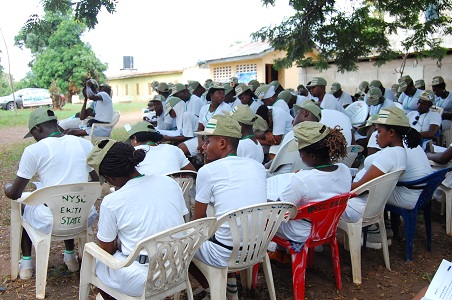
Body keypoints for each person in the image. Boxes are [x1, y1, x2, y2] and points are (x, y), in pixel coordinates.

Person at [4, 108, 98, 279]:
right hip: (84, 216)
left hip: (51, 221)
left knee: (26, 205)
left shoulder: (34, 150)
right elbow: (96, 179)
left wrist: (7, 187)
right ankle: (70, 258)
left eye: (32, 133)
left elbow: (15, 194)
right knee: (66, 200)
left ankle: (25, 265)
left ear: (38, 129)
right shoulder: (84, 144)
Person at [86, 140, 187, 298]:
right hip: (178, 267)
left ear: (110, 177)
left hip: (144, 278)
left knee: (95, 262)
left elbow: (106, 250)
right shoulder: (169, 183)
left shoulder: (112, 202)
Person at [189, 114, 267, 300]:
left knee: (184, 246)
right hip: (258, 248)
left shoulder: (207, 172)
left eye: (207, 141)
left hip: (225, 254)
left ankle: (214, 289)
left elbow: (198, 222)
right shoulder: (257, 166)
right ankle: (230, 287)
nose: (202, 147)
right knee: (224, 229)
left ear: (222, 143)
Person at [342, 107, 430, 245]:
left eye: (379, 131)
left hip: (354, 206)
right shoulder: (398, 152)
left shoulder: (390, 155)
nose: (375, 135)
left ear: (391, 133)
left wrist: (339, 186)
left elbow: (359, 188)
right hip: (365, 204)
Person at [269, 121, 351, 262]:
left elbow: (279, 209)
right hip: (328, 227)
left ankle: (269, 255)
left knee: (266, 214)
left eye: (301, 153)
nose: (300, 155)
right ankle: (281, 253)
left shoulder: (303, 180)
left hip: (301, 232)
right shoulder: (344, 170)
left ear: (312, 156)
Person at [178, 83, 232, 158]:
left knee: (208, 152)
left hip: (217, 139)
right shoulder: (204, 108)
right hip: (204, 138)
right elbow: (200, 128)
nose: (222, 96)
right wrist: (200, 141)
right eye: (219, 93)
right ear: (211, 94)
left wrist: (206, 143)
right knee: (180, 148)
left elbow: (224, 130)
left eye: (223, 93)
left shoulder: (226, 107)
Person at [125, 121, 196, 175]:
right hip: (176, 191)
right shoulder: (174, 149)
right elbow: (193, 173)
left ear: (135, 139)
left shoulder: (132, 154)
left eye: (130, 141)